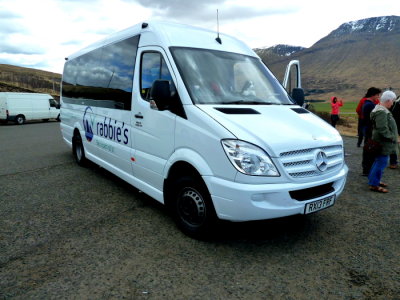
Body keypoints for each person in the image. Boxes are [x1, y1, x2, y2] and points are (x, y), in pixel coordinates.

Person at [368, 91, 398, 193]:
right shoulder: (381, 111)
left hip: (382, 142)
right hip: (383, 143)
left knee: (378, 162)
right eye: (392, 101)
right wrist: (392, 137)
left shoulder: (381, 109)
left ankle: (374, 181)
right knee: (381, 163)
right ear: (388, 100)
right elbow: (382, 128)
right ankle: (374, 184)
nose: (393, 104)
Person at [361, 87, 382, 176]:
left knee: (367, 150)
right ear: (373, 95)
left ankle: (366, 169)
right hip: (370, 130)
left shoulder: (366, 103)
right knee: (370, 151)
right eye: (377, 95)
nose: (378, 97)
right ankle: (368, 170)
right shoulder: (370, 105)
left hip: (367, 129)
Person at [389, 95, 400, 169]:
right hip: (395, 126)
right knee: (394, 144)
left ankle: (393, 162)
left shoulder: (396, 101)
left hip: (394, 125)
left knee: (394, 144)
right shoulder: (396, 102)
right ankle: (393, 162)